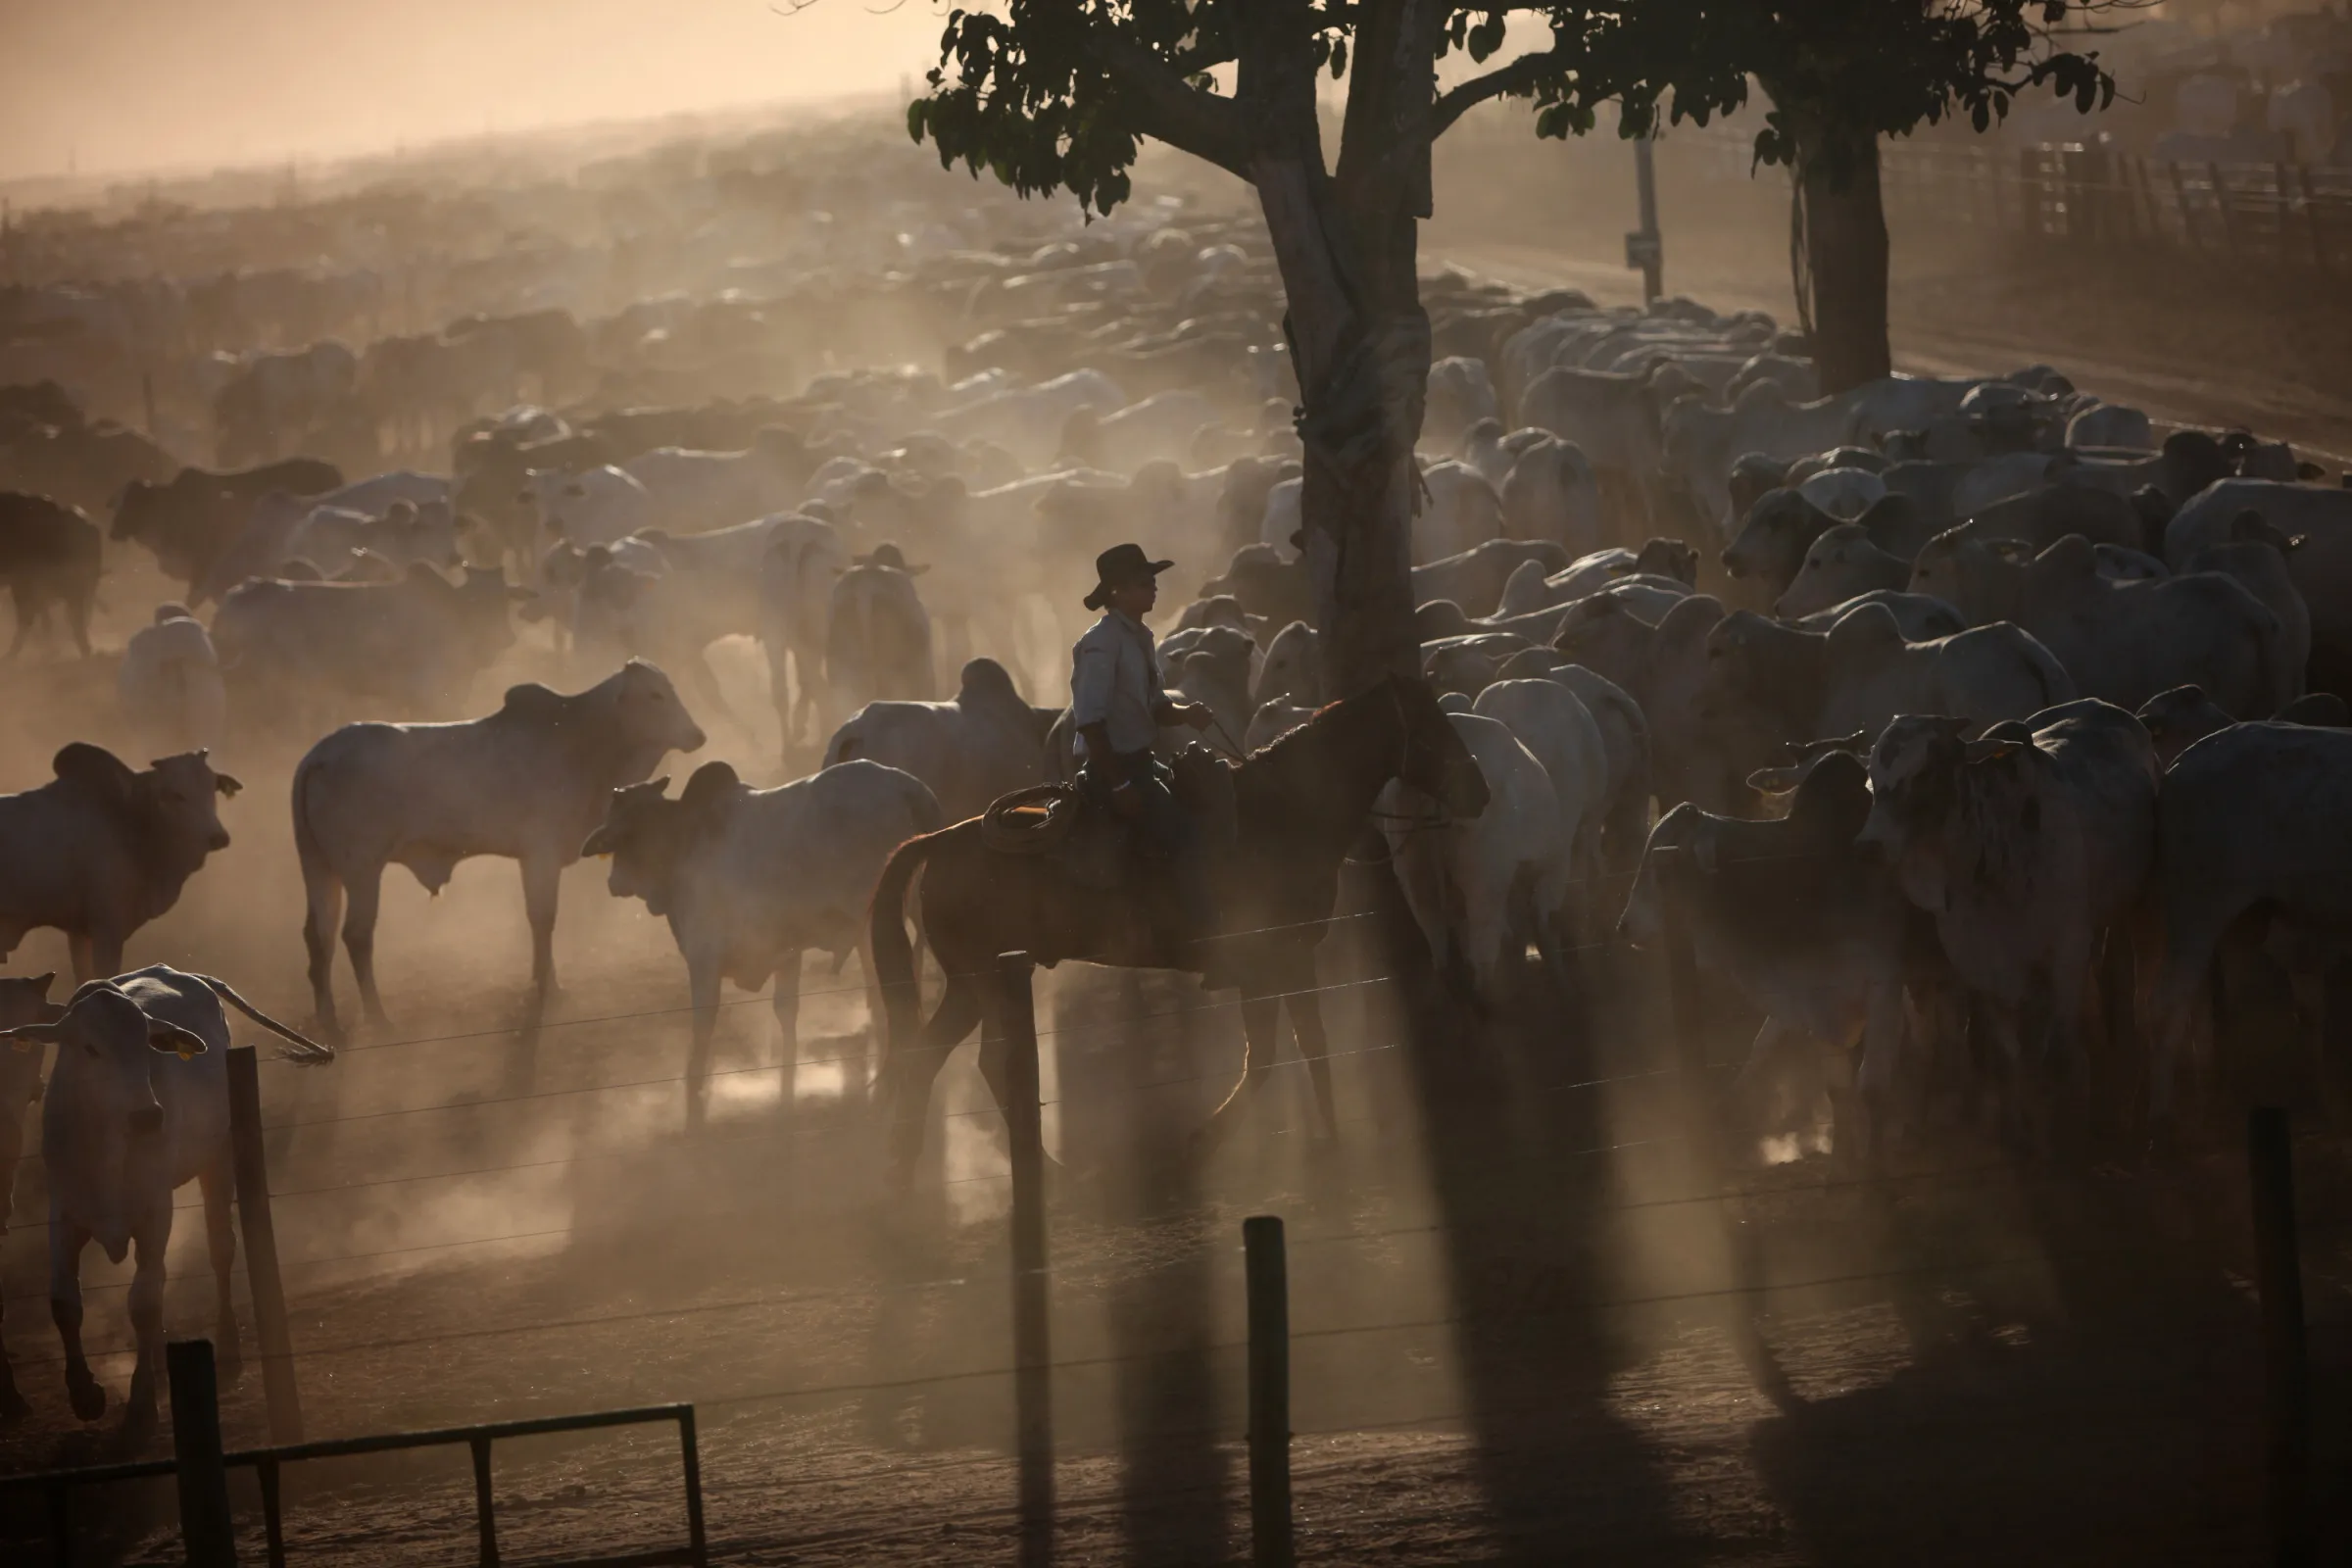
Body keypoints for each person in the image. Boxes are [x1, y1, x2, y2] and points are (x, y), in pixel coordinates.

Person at [1069, 543, 1225, 971]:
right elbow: (1091, 723)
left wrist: (1185, 714)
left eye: (1153, 582)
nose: (1153, 589)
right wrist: (1119, 785)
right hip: (1115, 770)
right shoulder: (1101, 645)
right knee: (1187, 836)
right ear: (1117, 592)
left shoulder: (1139, 638)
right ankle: (1204, 942)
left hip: (1139, 762)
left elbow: (1154, 706)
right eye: (1144, 583)